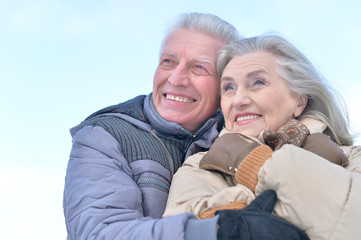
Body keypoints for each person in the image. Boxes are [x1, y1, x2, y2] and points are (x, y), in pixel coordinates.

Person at [64, 13, 306, 240]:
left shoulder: (244, 131)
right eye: (168, 62)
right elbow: (100, 232)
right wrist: (219, 231)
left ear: (225, 86)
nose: (176, 79)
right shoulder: (105, 136)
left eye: (199, 67)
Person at [163, 34, 361, 240]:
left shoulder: (352, 156)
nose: (238, 100)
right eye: (229, 88)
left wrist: (253, 163)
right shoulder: (199, 167)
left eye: (257, 82)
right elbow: (184, 230)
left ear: (299, 102)